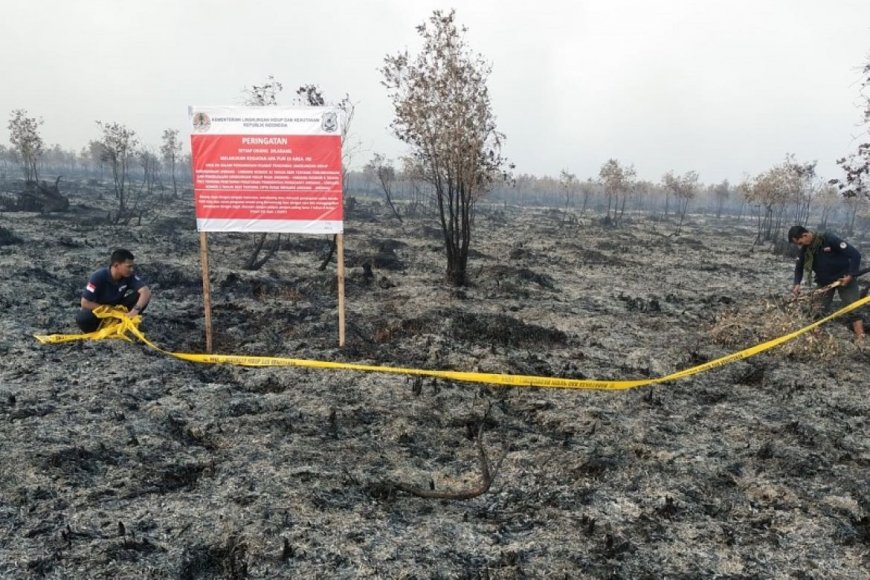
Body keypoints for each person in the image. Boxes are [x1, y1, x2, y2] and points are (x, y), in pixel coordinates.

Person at [788, 225, 865, 342]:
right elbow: (799, 267)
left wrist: (850, 275)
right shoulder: (805, 249)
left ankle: (861, 338)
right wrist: (796, 283)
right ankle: (814, 338)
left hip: (844, 278)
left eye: (799, 242)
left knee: (853, 308)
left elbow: (855, 255)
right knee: (818, 310)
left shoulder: (828, 239)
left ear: (805, 235)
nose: (800, 245)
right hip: (824, 282)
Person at [76, 249, 151, 333]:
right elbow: (85, 303)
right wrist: (109, 310)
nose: (132, 269)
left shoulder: (129, 276)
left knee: (142, 296)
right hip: (100, 311)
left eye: (132, 266)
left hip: (118, 308)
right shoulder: (98, 277)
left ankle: (123, 322)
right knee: (83, 317)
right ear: (116, 265)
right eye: (128, 266)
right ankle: (100, 329)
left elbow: (145, 291)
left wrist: (134, 312)